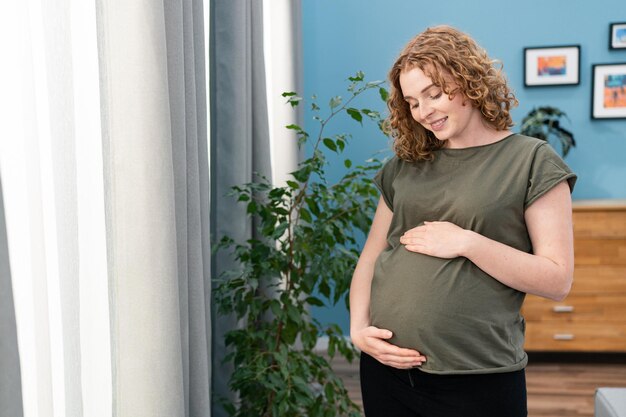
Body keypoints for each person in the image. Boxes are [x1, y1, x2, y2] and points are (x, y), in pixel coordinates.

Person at [349, 25, 577, 417]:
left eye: (435, 94)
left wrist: (467, 242)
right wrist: (358, 331)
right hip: (386, 369)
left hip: (476, 377)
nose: (424, 111)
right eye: (413, 102)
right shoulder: (404, 166)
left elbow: (557, 280)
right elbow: (371, 257)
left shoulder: (532, 161)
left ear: (470, 81)